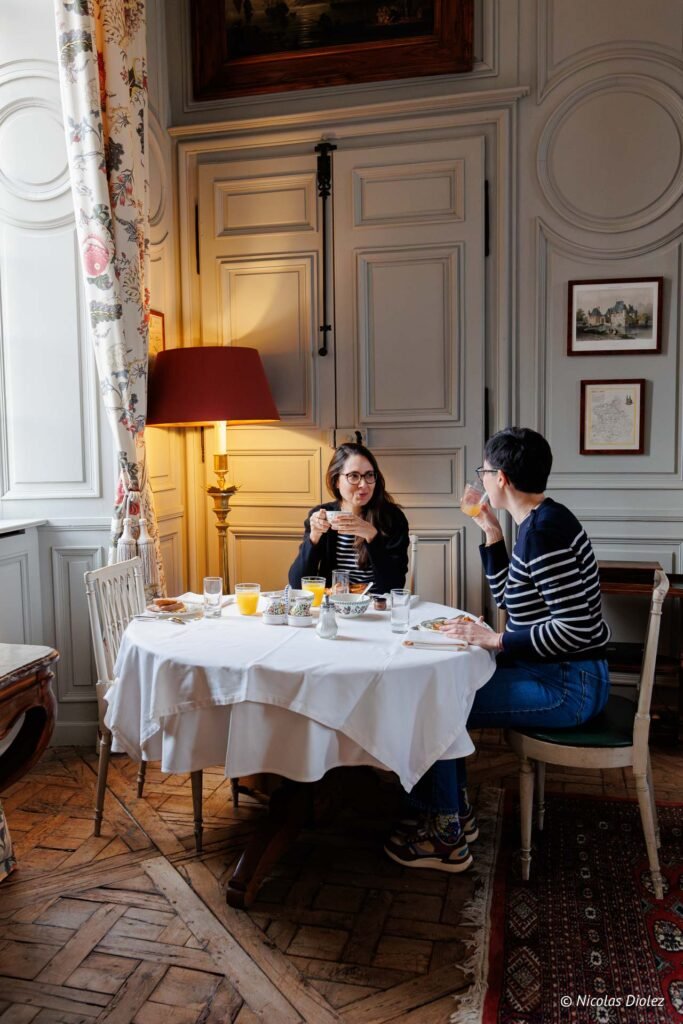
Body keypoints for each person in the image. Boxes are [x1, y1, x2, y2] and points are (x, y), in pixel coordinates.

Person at [384, 427, 610, 873]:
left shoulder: (545, 533)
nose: (482, 478)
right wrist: (490, 530)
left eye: (484, 470)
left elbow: (576, 630)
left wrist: (497, 640)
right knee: (448, 691)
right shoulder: (537, 523)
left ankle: (447, 834)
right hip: (558, 673)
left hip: (570, 685)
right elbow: (511, 600)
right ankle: (454, 813)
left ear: (501, 478)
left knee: (441, 701)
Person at [289, 442, 409, 594]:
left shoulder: (392, 518)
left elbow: (394, 586)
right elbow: (297, 584)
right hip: (334, 606)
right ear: (336, 481)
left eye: (369, 475)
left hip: (377, 609)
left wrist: (372, 537)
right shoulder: (322, 515)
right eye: (353, 476)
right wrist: (313, 538)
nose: (364, 484)